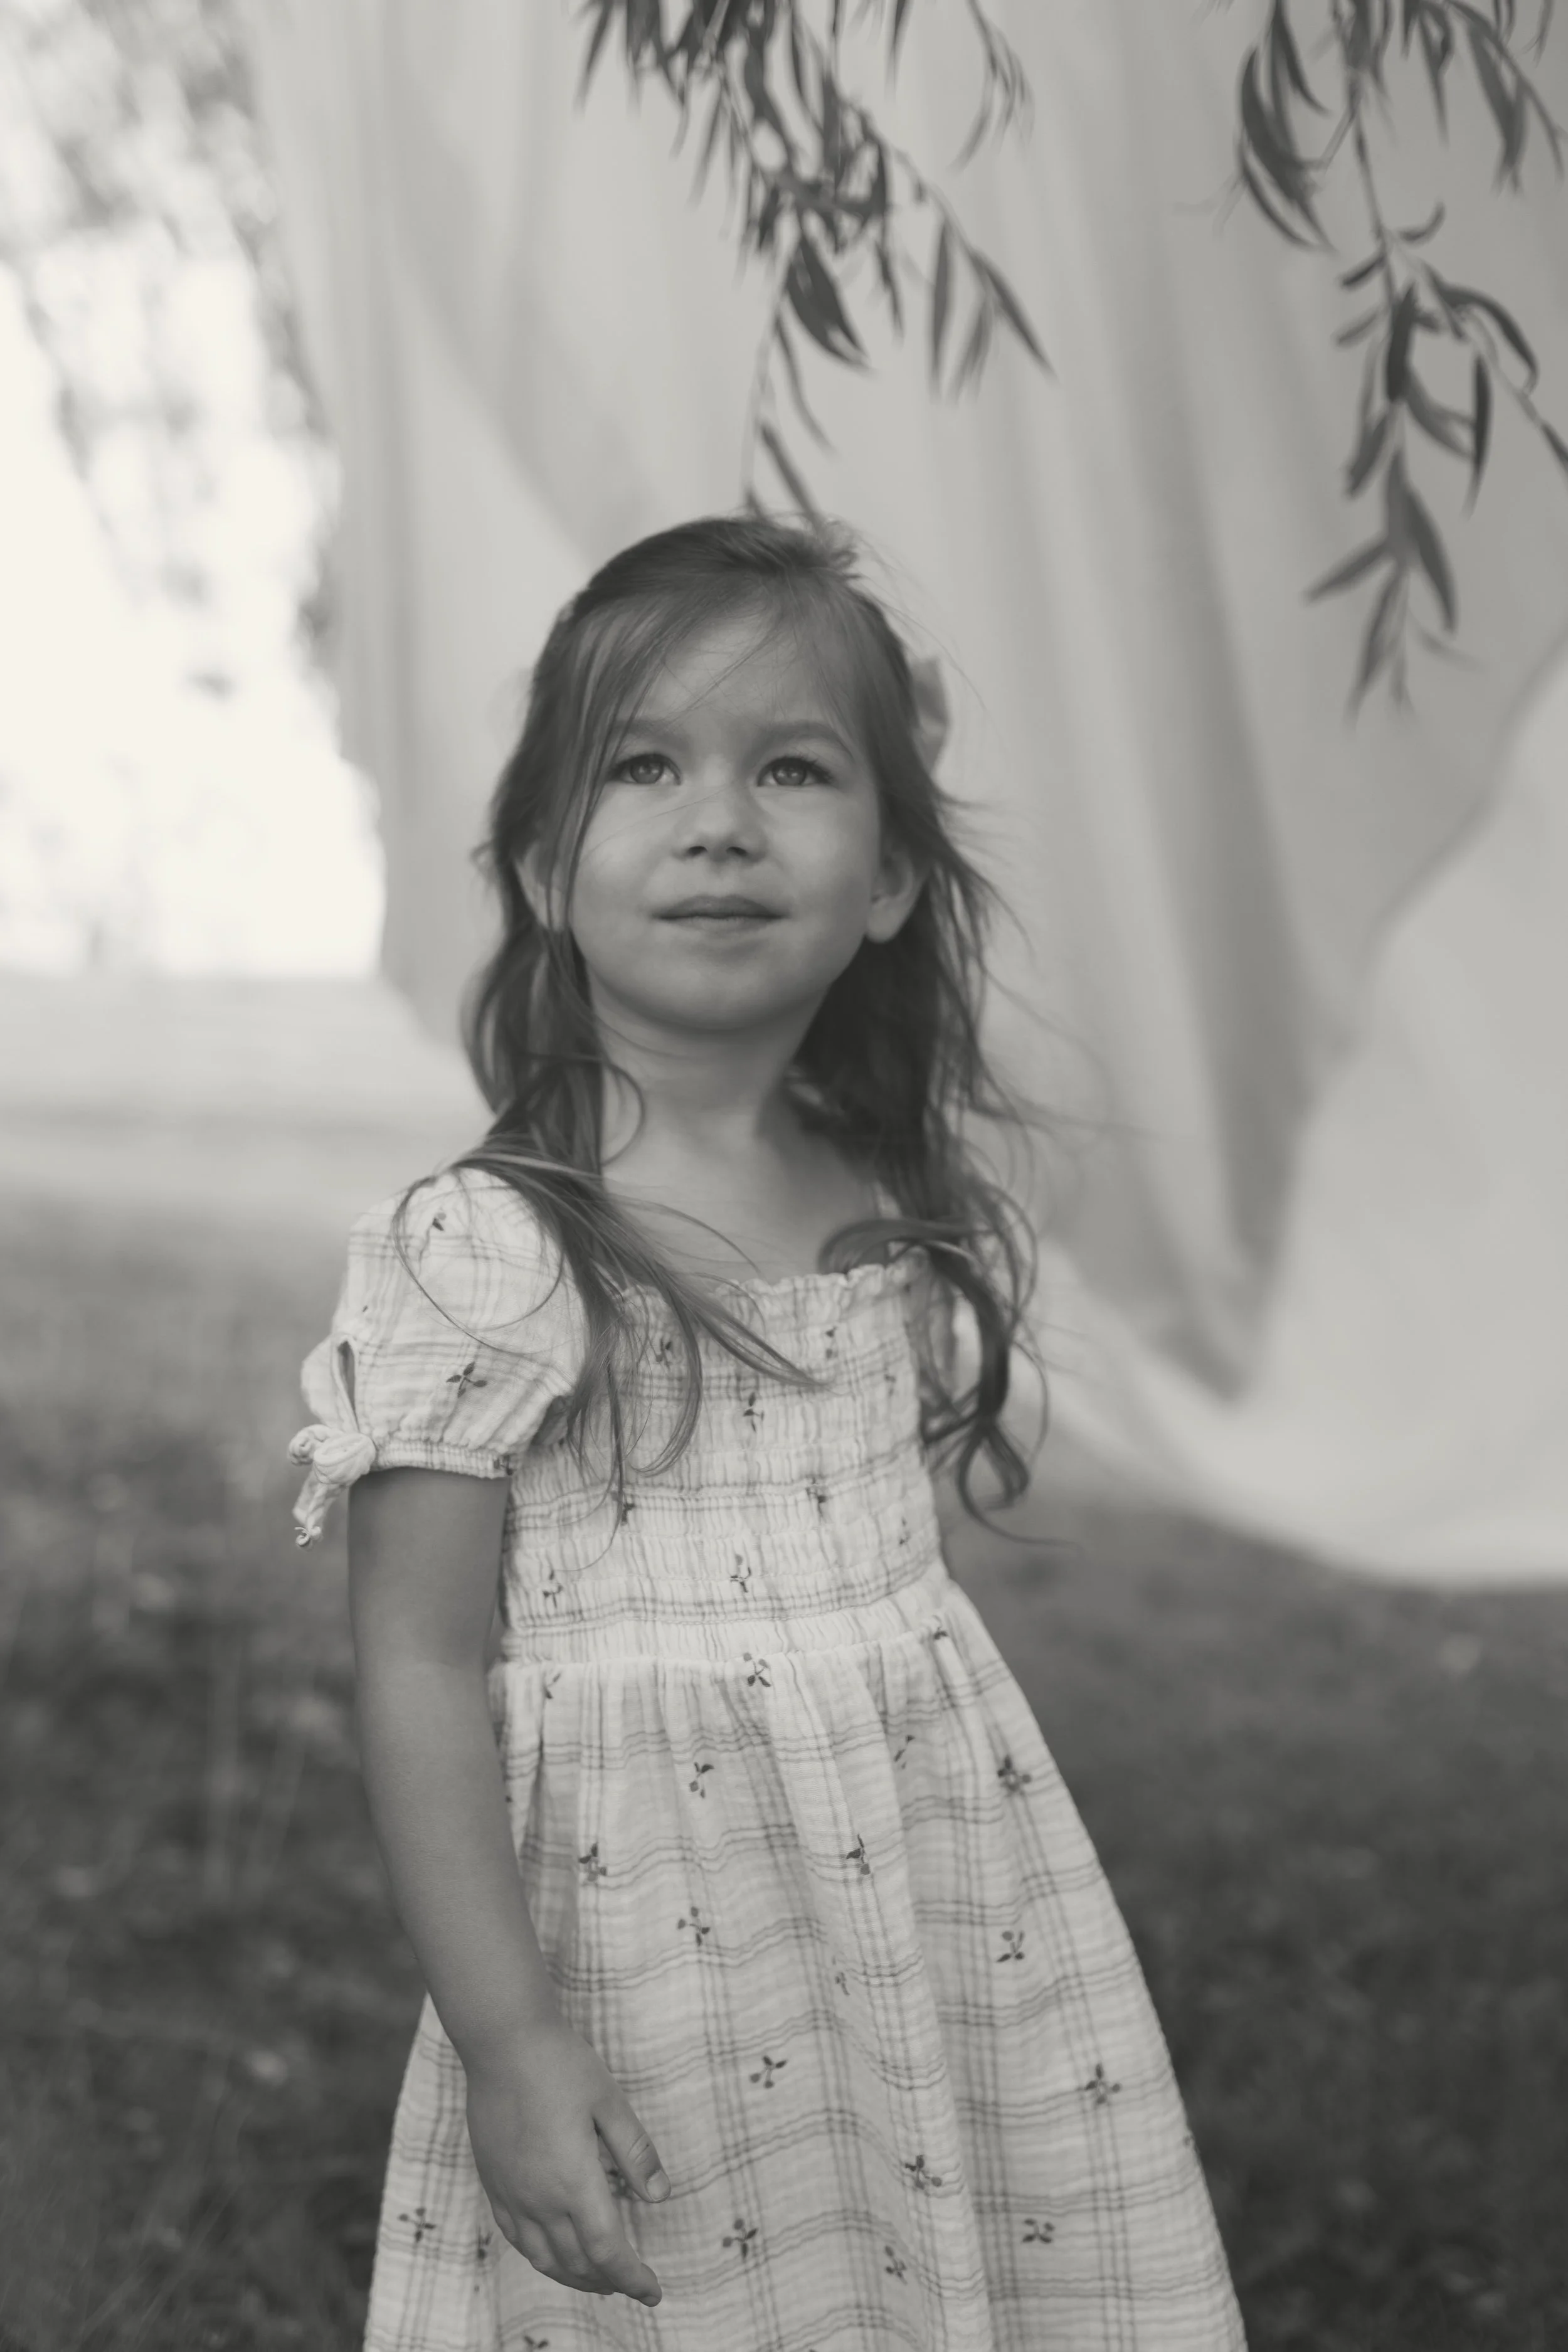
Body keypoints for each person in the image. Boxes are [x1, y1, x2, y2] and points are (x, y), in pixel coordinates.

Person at [289, 514, 1246, 2350]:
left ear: (886, 877)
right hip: (638, 1944)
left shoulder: (879, 1190)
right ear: (547, 863)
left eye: (790, 769)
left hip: (924, 1902)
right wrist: (506, 2037)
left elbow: (881, 1613)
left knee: (921, 2252)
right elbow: (415, 1660)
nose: (719, 819)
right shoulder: (492, 1242)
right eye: (643, 765)